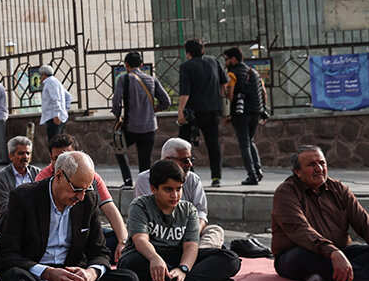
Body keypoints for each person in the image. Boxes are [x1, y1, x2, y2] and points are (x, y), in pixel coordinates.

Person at [0, 151, 139, 281]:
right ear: (58, 176)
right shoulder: (24, 197)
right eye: (77, 189)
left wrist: (91, 274)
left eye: (86, 189)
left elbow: (99, 250)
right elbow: (6, 255)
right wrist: (49, 273)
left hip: (70, 274)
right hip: (35, 273)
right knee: (15, 275)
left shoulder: (87, 199)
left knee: (129, 280)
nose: (81, 196)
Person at [270, 146, 369, 281]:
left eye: (322, 163)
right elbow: (299, 229)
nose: (319, 169)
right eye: (311, 165)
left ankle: (328, 276)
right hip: (299, 255)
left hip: (340, 252)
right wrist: (332, 252)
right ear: (297, 172)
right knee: (304, 258)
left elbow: (365, 223)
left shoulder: (338, 189)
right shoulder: (286, 192)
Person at [120, 160, 241, 281]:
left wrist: (183, 269)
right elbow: (140, 240)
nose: (175, 195)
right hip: (147, 255)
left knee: (231, 259)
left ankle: (176, 280)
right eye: (168, 189)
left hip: (178, 256)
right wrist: (154, 258)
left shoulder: (189, 209)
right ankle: (196, 280)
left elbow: (191, 246)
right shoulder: (140, 205)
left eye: (179, 189)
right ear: (153, 188)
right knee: (132, 263)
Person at [35, 134, 130, 258]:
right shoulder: (42, 181)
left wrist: (123, 242)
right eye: (56, 159)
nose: (62, 163)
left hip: (83, 236)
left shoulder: (91, 178)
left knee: (117, 240)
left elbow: (109, 208)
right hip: (54, 239)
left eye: (68, 157)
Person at [133, 138, 226, 249]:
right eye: (185, 160)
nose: (190, 164)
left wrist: (191, 235)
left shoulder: (192, 179)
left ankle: (197, 252)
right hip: (159, 235)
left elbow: (201, 212)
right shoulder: (145, 179)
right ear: (168, 160)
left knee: (214, 231)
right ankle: (196, 255)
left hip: (188, 234)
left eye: (179, 188)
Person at [112, 51, 171, 181]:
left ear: (126, 65)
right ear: (141, 65)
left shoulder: (123, 79)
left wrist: (118, 117)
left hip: (131, 127)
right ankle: (144, 185)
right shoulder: (152, 80)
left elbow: (116, 101)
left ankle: (128, 180)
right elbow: (166, 101)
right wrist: (153, 110)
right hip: (149, 127)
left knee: (119, 148)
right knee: (145, 160)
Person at [176, 38, 228, 187]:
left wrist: (180, 111)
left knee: (184, 144)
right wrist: (218, 97)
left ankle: (188, 175)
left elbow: (185, 93)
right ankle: (216, 177)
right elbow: (224, 83)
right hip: (213, 109)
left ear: (188, 53)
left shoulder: (186, 67)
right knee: (213, 144)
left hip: (193, 111)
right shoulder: (214, 62)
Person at [223, 46, 268, 185]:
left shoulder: (232, 74)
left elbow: (230, 94)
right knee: (250, 141)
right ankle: (258, 170)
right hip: (255, 112)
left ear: (233, 59)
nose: (225, 62)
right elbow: (263, 92)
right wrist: (263, 109)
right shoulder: (254, 72)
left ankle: (252, 175)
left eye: (226, 59)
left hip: (240, 113)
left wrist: (227, 114)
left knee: (244, 144)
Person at [0, 135, 38, 217]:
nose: (25, 157)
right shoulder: (2, 177)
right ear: (11, 156)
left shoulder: (37, 173)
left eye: (28, 153)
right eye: (21, 153)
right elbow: (3, 207)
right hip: (13, 219)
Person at [38, 65, 72, 144]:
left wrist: (56, 114)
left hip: (53, 117)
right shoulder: (55, 81)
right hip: (58, 117)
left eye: (41, 75)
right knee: (59, 142)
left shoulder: (50, 82)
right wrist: (64, 110)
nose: (40, 78)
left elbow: (55, 98)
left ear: (44, 75)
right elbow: (68, 97)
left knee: (54, 143)